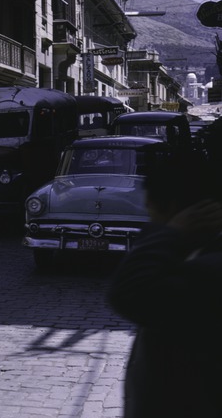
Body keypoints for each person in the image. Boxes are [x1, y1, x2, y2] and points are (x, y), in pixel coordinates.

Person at [107, 150, 222, 418]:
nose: (150, 220)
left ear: (171, 209)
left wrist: (169, 232)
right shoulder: (197, 255)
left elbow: (130, 292)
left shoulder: (210, 268)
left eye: (151, 211)